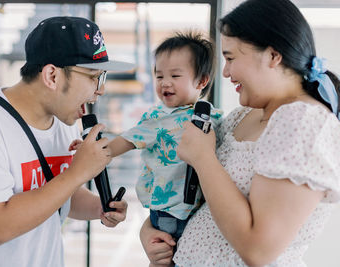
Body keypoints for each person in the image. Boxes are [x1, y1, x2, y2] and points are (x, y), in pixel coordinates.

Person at [139, 0, 340, 266]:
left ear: (272, 55)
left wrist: (203, 157)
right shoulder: (240, 118)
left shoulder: (303, 121)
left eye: (231, 58)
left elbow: (258, 250)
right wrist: (149, 230)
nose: (225, 72)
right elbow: (196, 193)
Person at [0, 16, 133, 267]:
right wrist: (77, 172)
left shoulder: (64, 123)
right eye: (93, 76)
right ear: (52, 75)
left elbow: (62, 197)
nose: (100, 90)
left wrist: (100, 207)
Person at [93, 31, 222, 243]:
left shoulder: (212, 116)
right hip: (168, 212)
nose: (165, 83)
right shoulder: (158, 117)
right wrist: (97, 150)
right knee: (169, 255)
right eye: (160, 76)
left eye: (175, 76)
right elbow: (127, 140)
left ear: (202, 81)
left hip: (201, 209)